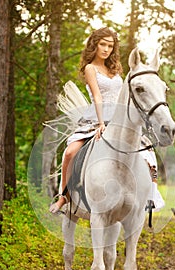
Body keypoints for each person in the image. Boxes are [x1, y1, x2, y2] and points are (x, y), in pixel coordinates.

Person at [49, 27, 123, 213]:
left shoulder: (115, 69)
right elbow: (97, 96)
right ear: (95, 45)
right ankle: (64, 197)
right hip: (97, 119)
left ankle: (150, 194)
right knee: (70, 152)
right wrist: (101, 123)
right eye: (103, 44)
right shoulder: (91, 68)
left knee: (145, 149)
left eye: (110, 46)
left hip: (120, 119)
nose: (106, 49)